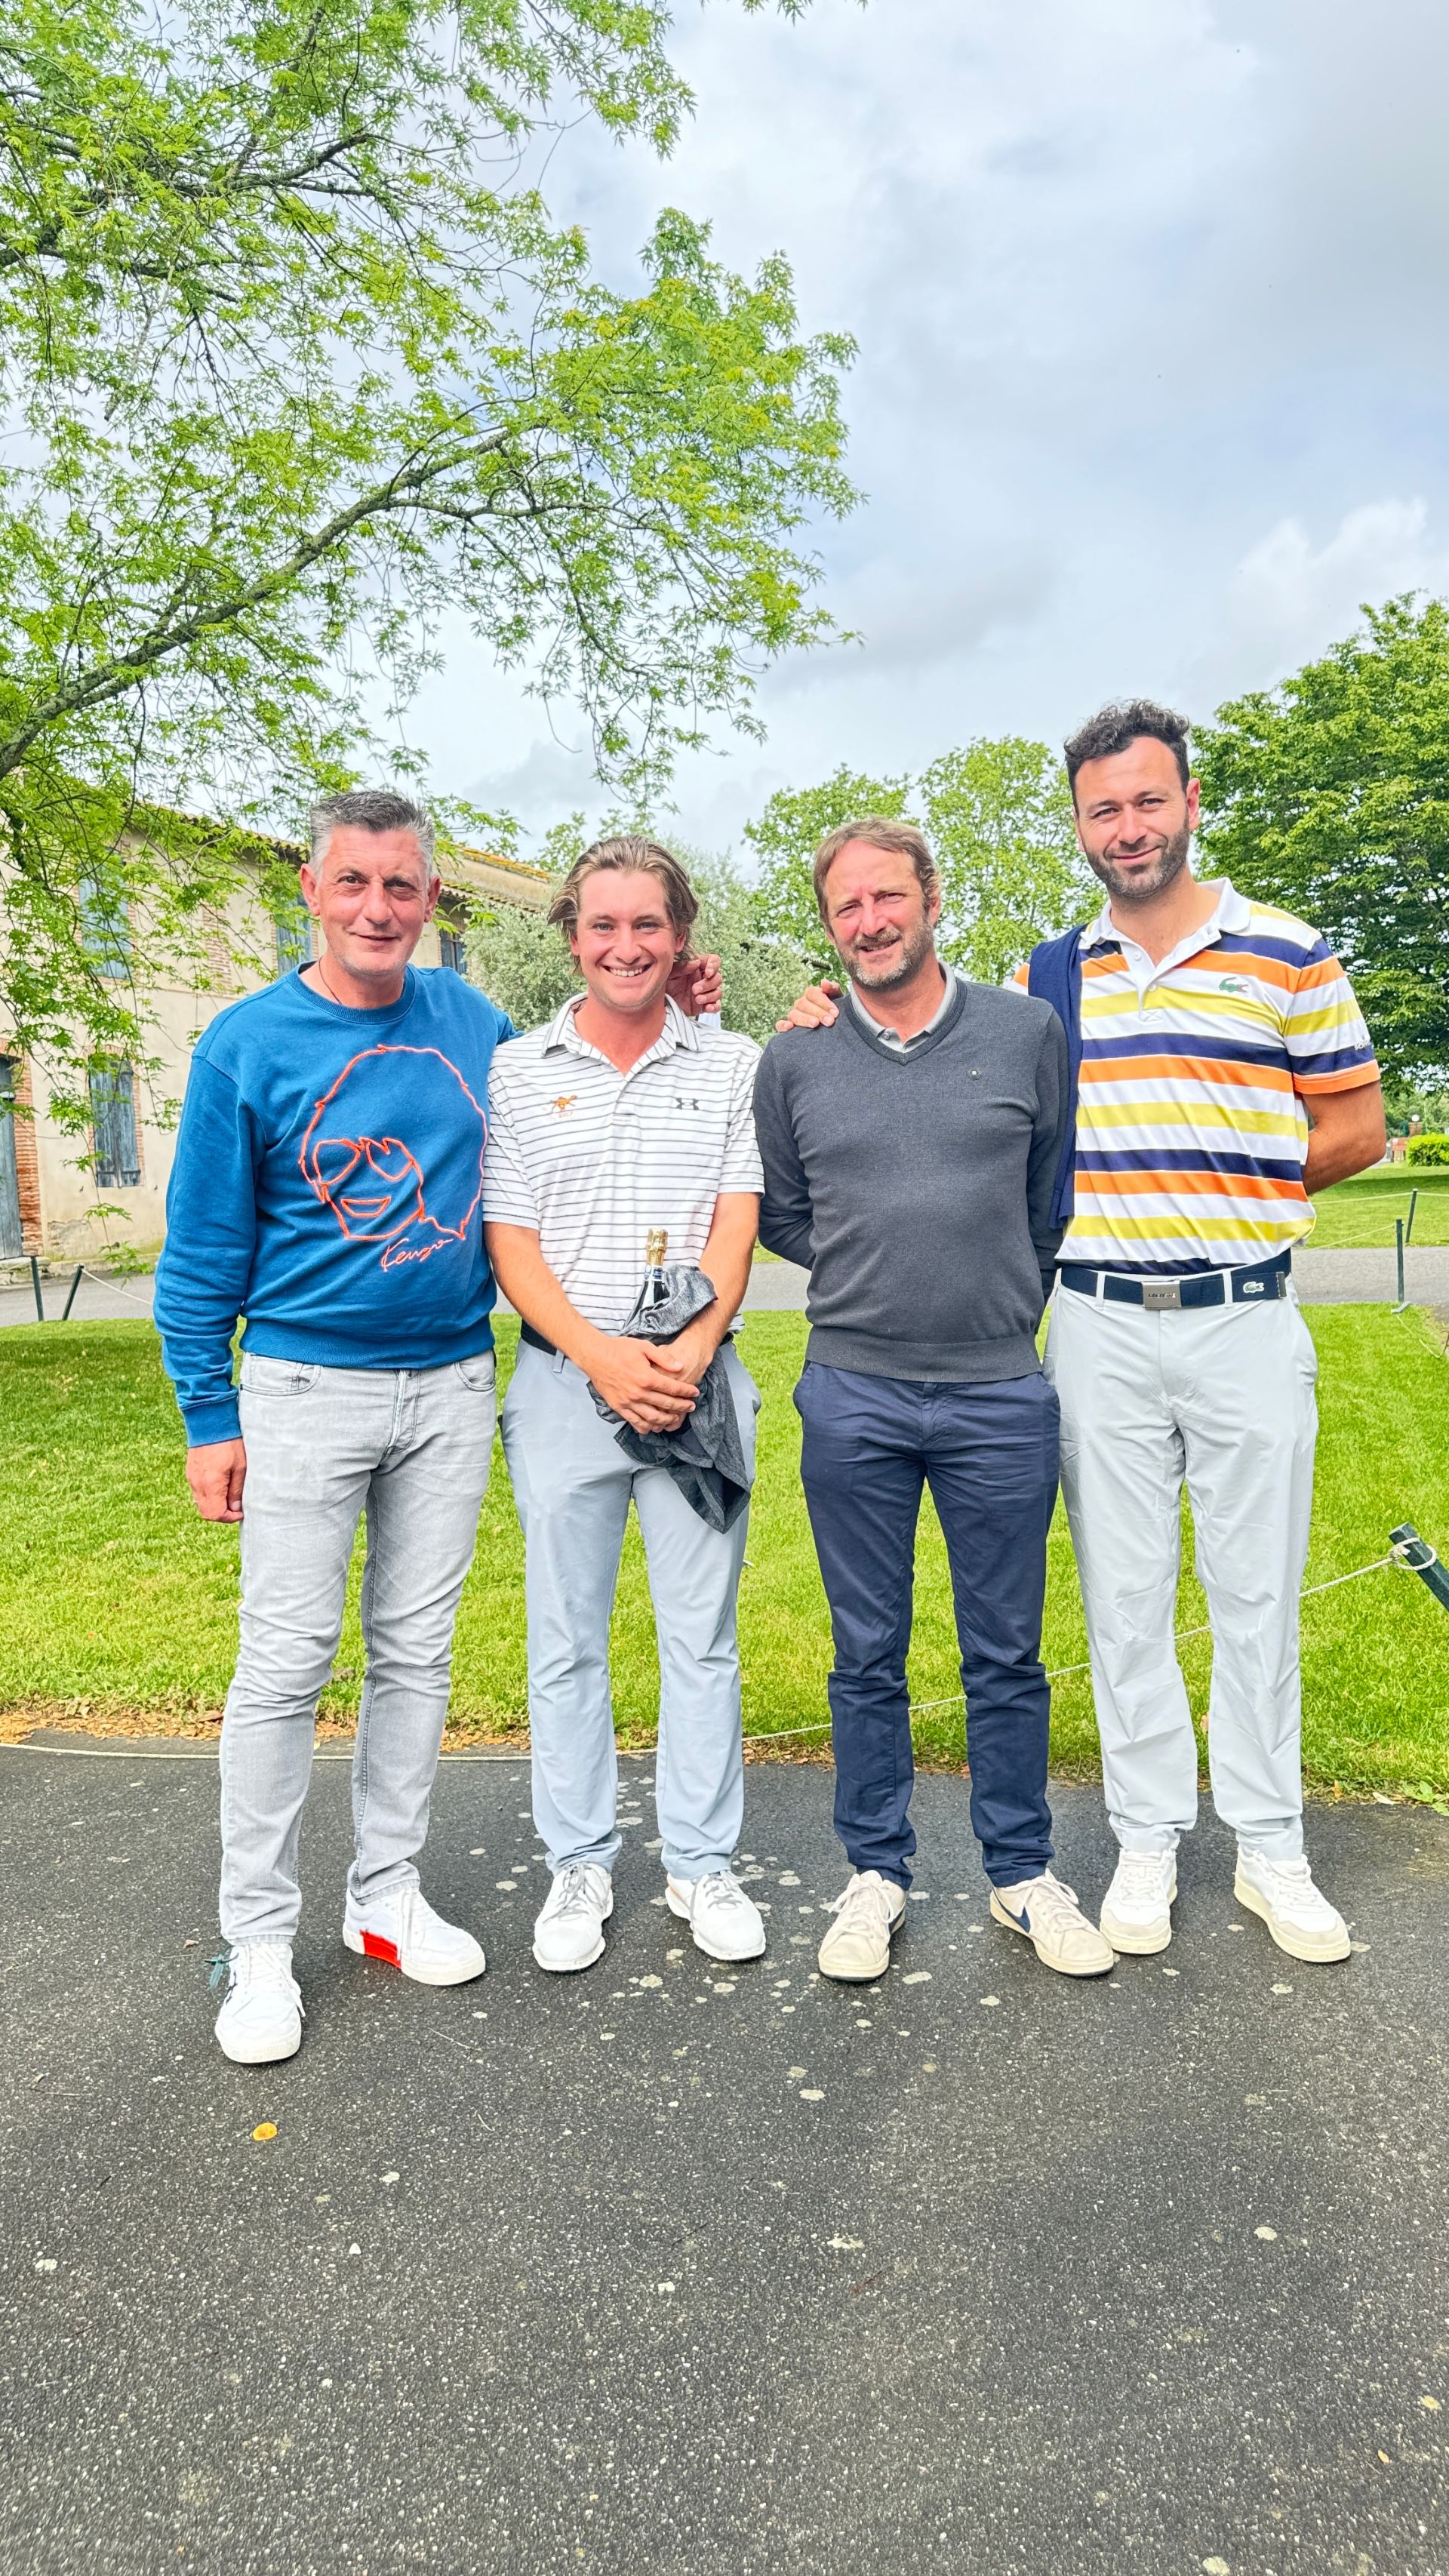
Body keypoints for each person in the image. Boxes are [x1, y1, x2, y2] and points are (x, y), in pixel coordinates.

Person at [154, 786, 726, 2064]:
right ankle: (258, 1938)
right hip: (303, 1386)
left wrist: (684, 1005)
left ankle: (384, 1894)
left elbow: (591, 1069)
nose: (378, 907)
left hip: (453, 1383)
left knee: (415, 1656)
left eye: (401, 886)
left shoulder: (474, 1025)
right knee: (285, 1662)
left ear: (428, 899)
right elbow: (197, 1253)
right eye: (354, 882)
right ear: (313, 890)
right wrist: (206, 1410)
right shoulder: (247, 1044)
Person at [1021, 702, 1383, 1963]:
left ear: (1187, 802)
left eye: (1147, 800)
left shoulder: (1286, 949)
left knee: (1256, 1595)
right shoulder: (1047, 975)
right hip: (1099, 1322)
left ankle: (1272, 1848)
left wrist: (1237, 1187)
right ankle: (1148, 1838)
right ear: (1080, 826)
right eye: (1103, 809)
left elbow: (1356, 1125)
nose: (1128, 827)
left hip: (1243, 1315)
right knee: (1124, 1599)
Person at [753, 818, 1115, 1986]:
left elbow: (1049, 1195)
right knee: (866, 1651)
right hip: (851, 1390)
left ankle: (1021, 1872)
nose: (869, 922)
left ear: (931, 898)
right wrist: (872, 1264)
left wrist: (997, 1291)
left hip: (998, 1391)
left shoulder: (1025, 1032)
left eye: (887, 897)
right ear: (829, 924)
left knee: (1006, 1651)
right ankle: (876, 1872)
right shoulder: (795, 1056)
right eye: (846, 907)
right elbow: (784, 1209)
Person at [484, 837, 768, 1974]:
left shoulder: (733, 1063)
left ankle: (702, 1862)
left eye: (648, 923)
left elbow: (737, 1219)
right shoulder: (517, 1070)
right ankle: (579, 1862)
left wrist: (689, 1350)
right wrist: (603, 1357)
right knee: (566, 1642)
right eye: (603, 924)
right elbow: (511, 1241)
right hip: (567, 1383)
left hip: (699, 1384)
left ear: (679, 934)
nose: (625, 945)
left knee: (702, 1639)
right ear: (572, 937)